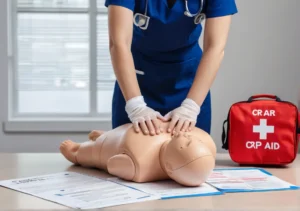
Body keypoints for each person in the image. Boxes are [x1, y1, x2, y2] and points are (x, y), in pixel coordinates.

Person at [105, 0, 238, 136]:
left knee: (193, 153)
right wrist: (135, 106)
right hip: (137, 82)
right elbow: (118, 43)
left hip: (189, 85)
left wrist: (191, 107)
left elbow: (215, 48)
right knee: (131, 152)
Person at [59, 120, 216, 186]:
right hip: (127, 129)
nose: (190, 137)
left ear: (169, 167)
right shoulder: (205, 142)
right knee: (111, 135)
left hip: (110, 147)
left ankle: (76, 151)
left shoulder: (138, 165)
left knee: (92, 153)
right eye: (196, 141)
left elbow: (113, 164)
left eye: (187, 144)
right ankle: (105, 135)